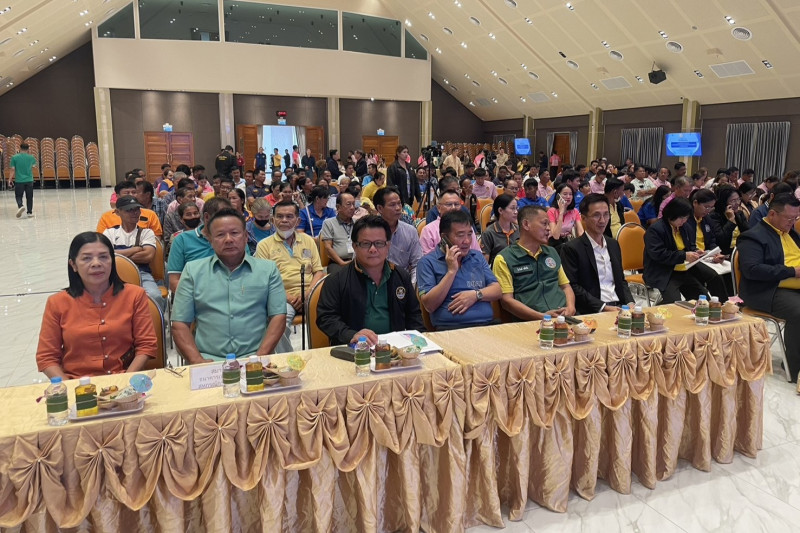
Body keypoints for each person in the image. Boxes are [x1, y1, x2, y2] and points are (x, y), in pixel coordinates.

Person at [36, 232, 157, 378]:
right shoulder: (57, 303)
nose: (96, 264)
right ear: (73, 265)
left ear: (112, 261)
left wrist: (126, 382)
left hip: (125, 378)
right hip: (76, 383)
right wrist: (69, 386)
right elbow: (47, 357)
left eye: (103, 257)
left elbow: (146, 345)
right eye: (86, 258)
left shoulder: (134, 295)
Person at [172, 208, 287, 362]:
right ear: (210, 240)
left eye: (234, 233)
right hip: (207, 359)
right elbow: (180, 324)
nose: (228, 239)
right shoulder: (192, 271)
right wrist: (198, 361)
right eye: (220, 235)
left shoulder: (268, 270)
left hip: (255, 357)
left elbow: (278, 316)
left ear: (246, 237)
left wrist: (259, 357)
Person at [317, 216, 424, 345]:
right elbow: (326, 317)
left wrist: (421, 344)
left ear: (388, 245)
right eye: (366, 244)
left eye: (379, 243)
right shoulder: (337, 279)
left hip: (394, 349)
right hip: (354, 349)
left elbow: (414, 316)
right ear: (354, 246)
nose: (373, 249)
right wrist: (350, 335)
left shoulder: (401, 276)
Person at [737, 194, 800, 381]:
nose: (793, 222)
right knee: (799, 312)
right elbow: (752, 270)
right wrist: (792, 272)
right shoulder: (753, 237)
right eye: (789, 218)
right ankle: (795, 367)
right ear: (772, 214)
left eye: (796, 218)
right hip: (767, 290)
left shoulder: (790, 232)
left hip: (792, 286)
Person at [255, 201, 325, 353]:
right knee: (278, 323)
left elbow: (319, 272)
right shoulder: (264, 245)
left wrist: (308, 293)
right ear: (272, 220)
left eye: (289, 216)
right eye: (279, 216)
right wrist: (289, 298)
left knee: (330, 315)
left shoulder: (308, 240)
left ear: (298, 220)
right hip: (281, 297)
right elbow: (263, 281)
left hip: (310, 293)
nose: (284, 220)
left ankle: (321, 356)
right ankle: (287, 360)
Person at [417, 210, 502, 330]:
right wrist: (451, 271)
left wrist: (476, 295)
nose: (467, 241)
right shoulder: (427, 262)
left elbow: (497, 290)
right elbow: (429, 305)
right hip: (451, 329)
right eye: (460, 235)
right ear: (444, 237)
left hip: (486, 326)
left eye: (469, 234)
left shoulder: (477, 256)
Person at [493, 205, 576, 320]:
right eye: (544, 224)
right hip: (531, 321)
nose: (548, 228)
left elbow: (566, 286)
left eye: (549, 224)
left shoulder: (551, 252)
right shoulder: (504, 258)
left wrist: (570, 307)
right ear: (526, 224)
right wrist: (543, 317)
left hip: (563, 318)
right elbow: (507, 301)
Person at [643, 198, 727, 303]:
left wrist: (696, 252)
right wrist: (684, 255)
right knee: (674, 303)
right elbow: (658, 254)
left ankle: (723, 305)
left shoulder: (684, 227)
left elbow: (689, 247)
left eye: (686, 218)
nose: (684, 221)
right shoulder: (655, 230)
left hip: (685, 267)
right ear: (671, 214)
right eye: (681, 218)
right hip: (664, 270)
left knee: (712, 279)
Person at [560, 194, 633, 314]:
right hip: (593, 309)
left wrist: (630, 303)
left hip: (619, 306)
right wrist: (603, 307)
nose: (602, 220)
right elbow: (573, 286)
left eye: (606, 214)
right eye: (596, 215)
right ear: (583, 218)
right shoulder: (572, 248)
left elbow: (621, 280)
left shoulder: (613, 244)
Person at [102, 196, 166, 311]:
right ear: (118, 212)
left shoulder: (147, 233)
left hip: (142, 274)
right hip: (115, 275)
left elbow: (148, 256)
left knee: (155, 296)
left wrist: (116, 254)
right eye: (129, 210)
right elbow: (105, 257)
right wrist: (135, 249)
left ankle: (156, 321)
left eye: (137, 209)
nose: (135, 213)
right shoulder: (109, 233)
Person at [167, 197, 232, 292]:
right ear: (207, 217)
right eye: (222, 216)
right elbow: (174, 282)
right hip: (196, 296)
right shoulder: (181, 240)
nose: (227, 220)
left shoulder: (235, 240)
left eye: (230, 216)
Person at [374, 187, 423, 283]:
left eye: (399, 203)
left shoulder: (410, 231)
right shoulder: (368, 231)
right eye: (392, 205)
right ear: (380, 208)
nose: (398, 208)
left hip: (402, 283)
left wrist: (412, 285)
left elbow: (417, 264)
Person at [98, 180, 163, 237]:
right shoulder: (106, 217)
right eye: (126, 193)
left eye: (134, 192)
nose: (131, 195)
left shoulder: (150, 214)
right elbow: (101, 240)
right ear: (118, 196)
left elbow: (157, 237)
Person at [320, 192, 356, 275]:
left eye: (354, 204)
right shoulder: (329, 223)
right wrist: (342, 263)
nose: (352, 208)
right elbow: (328, 247)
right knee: (338, 278)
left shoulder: (358, 223)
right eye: (348, 204)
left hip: (356, 261)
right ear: (338, 207)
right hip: (337, 262)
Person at [708, 185, 750, 256]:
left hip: (739, 251)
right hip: (723, 254)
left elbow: (747, 233)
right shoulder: (714, 216)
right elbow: (720, 239)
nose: (737, 203)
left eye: (738, 199)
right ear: (724, 202)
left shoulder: (739, 214)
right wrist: (730, 220)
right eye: (733, 201)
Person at [480, 194, 519, 266]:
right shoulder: (489, 233)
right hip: (498, 269)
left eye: (516, 208)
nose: (516, 212)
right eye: (512, 208)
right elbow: (485, 263)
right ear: (500, 210)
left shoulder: (518, 230)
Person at [547, 182, 584, 248]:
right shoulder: (551, 211)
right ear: (558, 196)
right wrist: (561, 213)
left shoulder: (575, 211)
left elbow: (580, 231)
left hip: (568, 241)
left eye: (570, 194)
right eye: (565, 194)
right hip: (554, 243)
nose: (568, 197)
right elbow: (555, 236)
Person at [387, 145, 421, 209]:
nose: (406, 154)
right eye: (404, 152)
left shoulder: (410, 167)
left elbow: (415, 182)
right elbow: (390, 184)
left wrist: (418, 198)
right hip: (399, 197)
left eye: (407, 152)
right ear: (398, 154)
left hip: (410, 196)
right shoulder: (393, 167)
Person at [8, 142, 36, 218]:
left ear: (20, 148)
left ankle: (20, 206)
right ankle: (29, 212)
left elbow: (12, 169)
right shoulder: (31, 157)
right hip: (29, 180)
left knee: (18, 195)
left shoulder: (14, 157)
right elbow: (33, 166)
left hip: (19, 180)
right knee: (29, 197)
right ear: (28, 149)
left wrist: (10, 179)